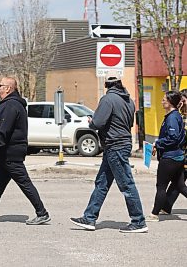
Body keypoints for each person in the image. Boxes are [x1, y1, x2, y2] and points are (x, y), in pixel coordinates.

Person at [70, 75, 148, 233]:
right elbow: (127, 123)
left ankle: (138, 221)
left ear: (107, 85)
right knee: (102, 183)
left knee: (126, 184)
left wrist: (91, 121)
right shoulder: (129, 100)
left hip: (115, 145)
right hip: (119, 144)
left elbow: (97, 124)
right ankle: (89, 217)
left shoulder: (108, 99)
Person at [0, 77, 50, 225]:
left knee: (24, 183)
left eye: (0, 86)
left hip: (11, 153)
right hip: (5, 154)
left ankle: (42, 213)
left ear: (8, 89)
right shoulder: (8, 104)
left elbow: (4, 130)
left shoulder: (11, 106)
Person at [146, 90, 187, 221]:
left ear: (170, 102)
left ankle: (154, 214)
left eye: (164, 99)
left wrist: (158, 143)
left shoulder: (173, 118)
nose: (162, 101)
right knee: (180, 186)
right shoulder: (175, 116)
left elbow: (173, 138)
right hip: (177, 156)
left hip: (170, 158)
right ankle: (160, 210)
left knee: (161, 186)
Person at [161, 89, 187, 214]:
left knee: (179, 183)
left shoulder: (177, 116)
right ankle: (166, 207)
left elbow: (176, 136)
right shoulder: (179, 115)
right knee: (178, 183)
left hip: (182, 153)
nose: (181, 103)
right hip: (182, 153)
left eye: (183, 100)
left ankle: (164, 207)